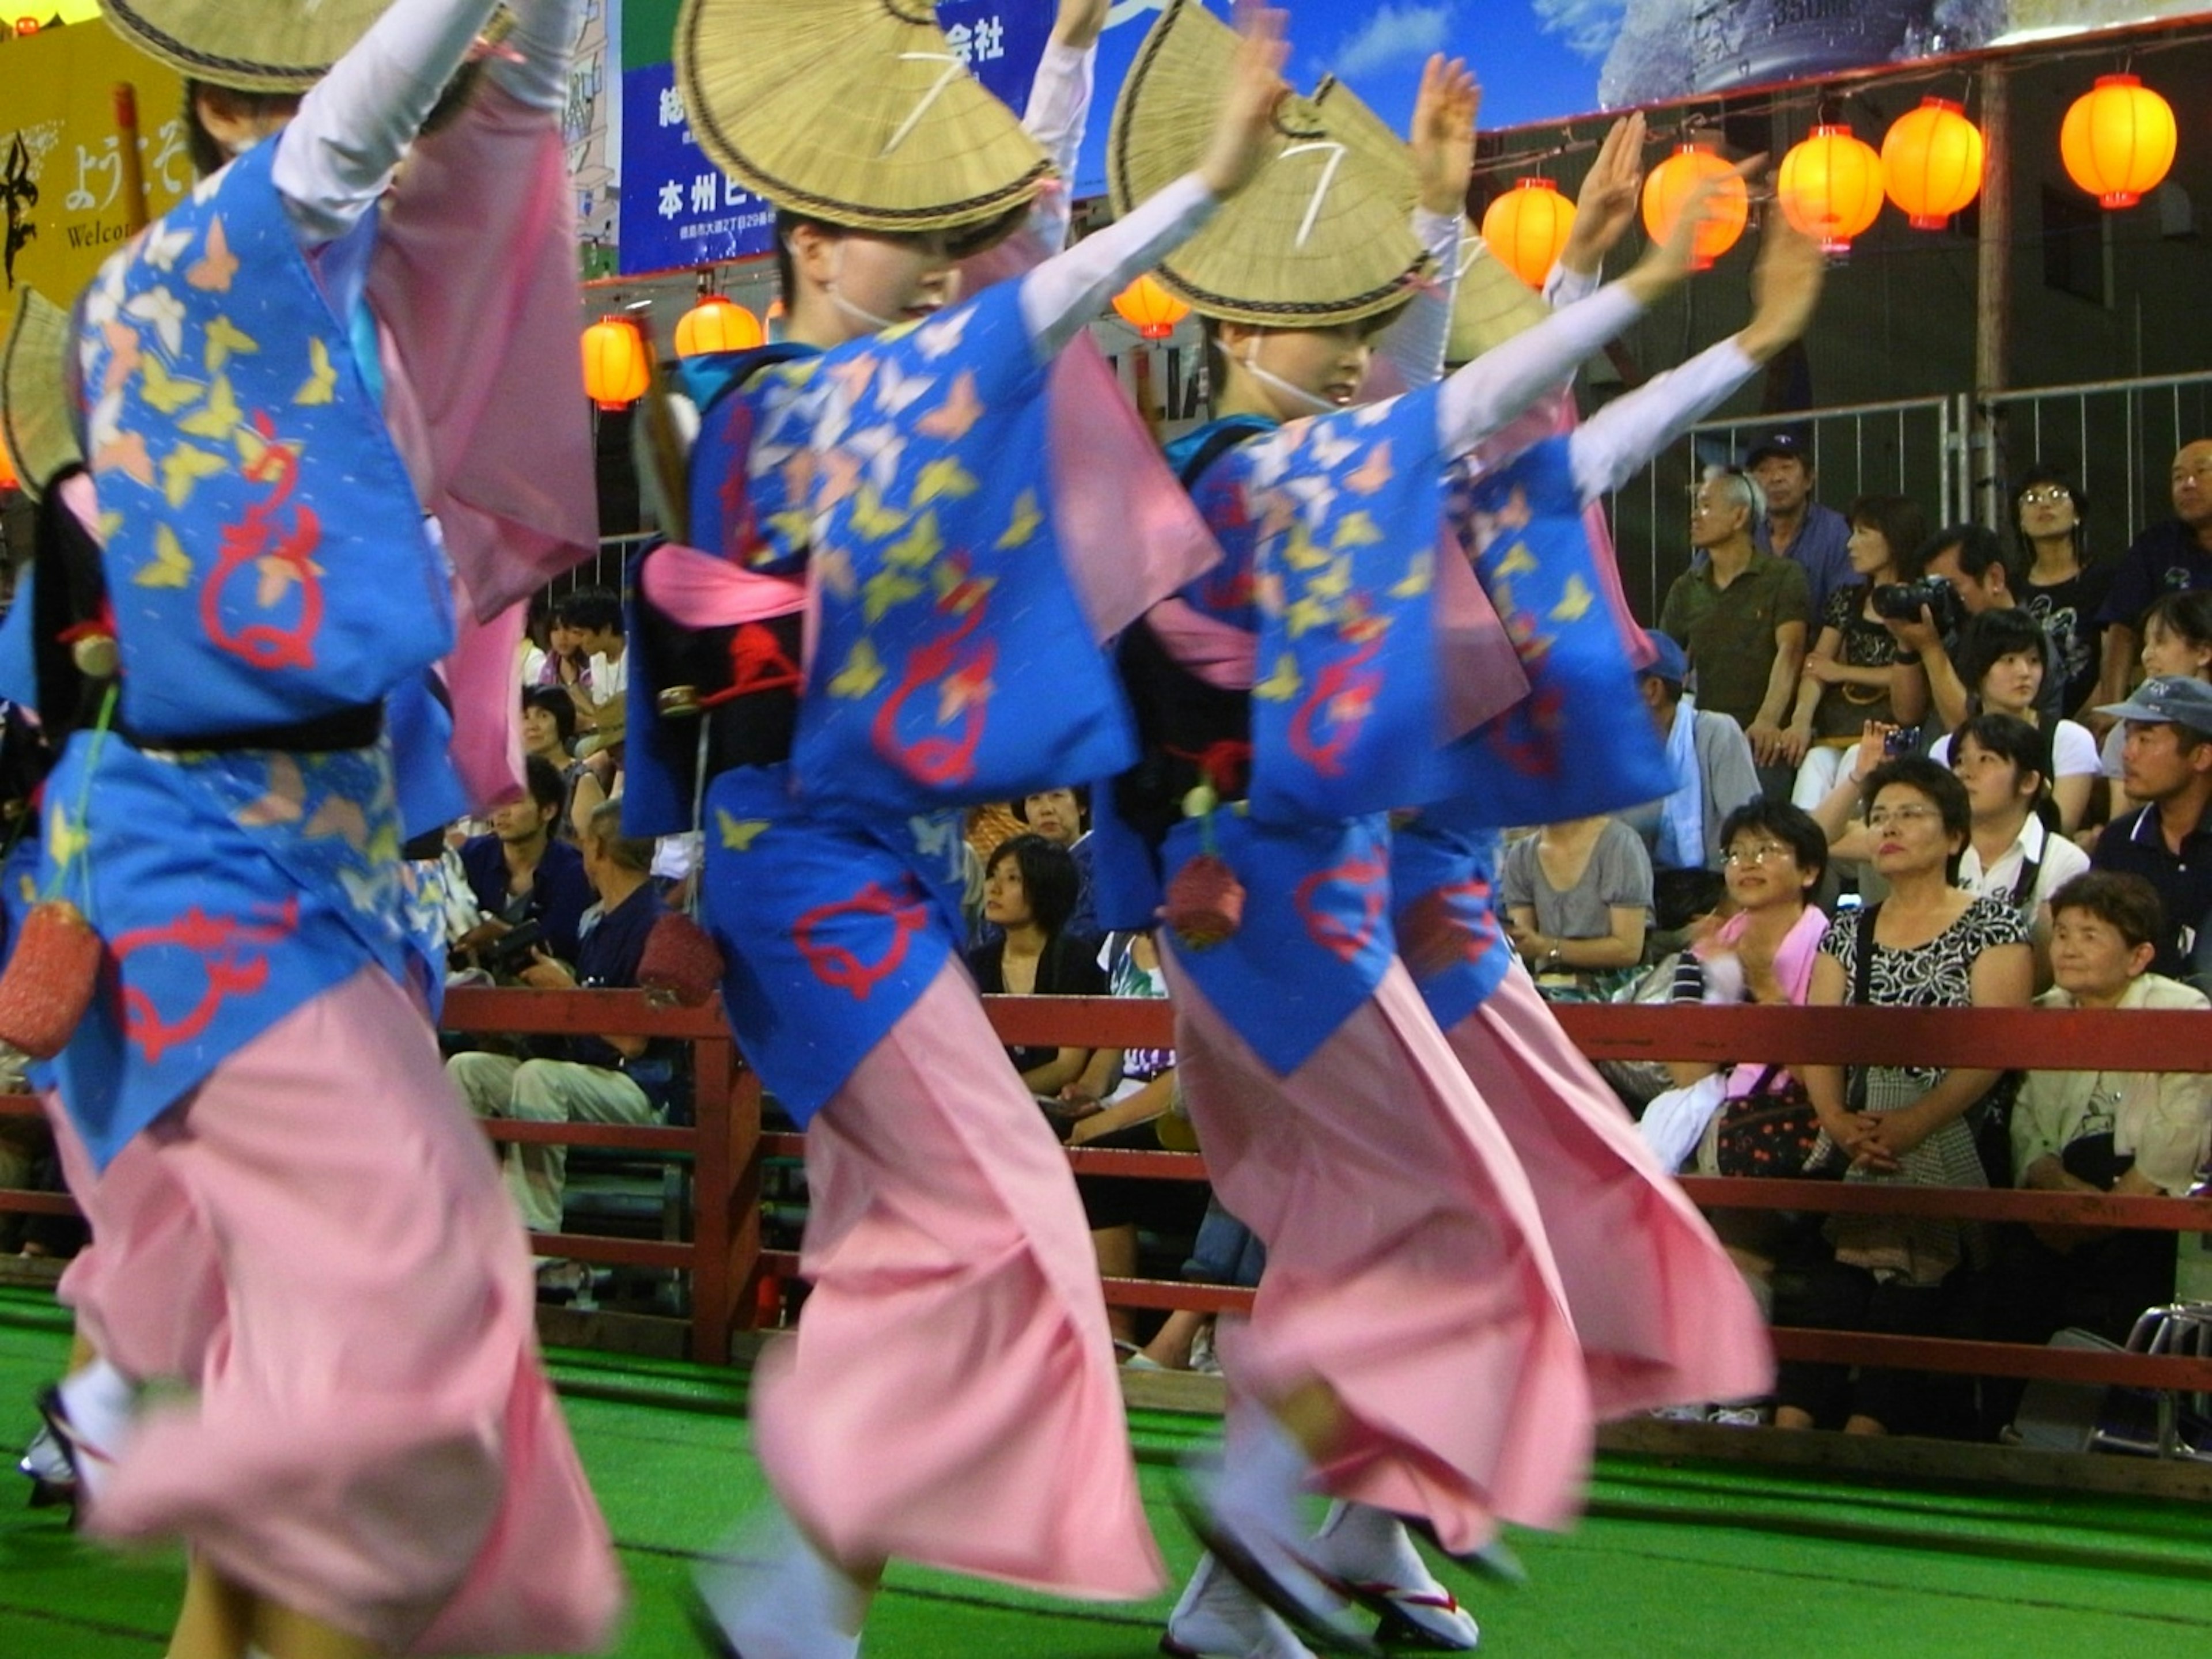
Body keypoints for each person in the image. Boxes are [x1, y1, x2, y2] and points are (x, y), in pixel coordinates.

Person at [1098, 13, 1778, 1646]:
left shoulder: (1339, 472)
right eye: (1315, 319)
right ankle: (1284, 1525)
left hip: (1391, 887)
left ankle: (1350, 1530)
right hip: (1280, 894)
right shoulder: (1226, 480)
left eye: (1367, 323)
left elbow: (1486, 452)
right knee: (1439, 1217)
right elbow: (1444, 440)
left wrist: (1530, 262)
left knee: (1490, 1206)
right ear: (1239, 321)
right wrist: (1593, 285)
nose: (1354, 349)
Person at [625, 2, 1295, 1650]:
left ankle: (803, 1606)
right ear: (800, 239)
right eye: (896, 237)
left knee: (884, 1241)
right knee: (1011, 1205)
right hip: (804, 870)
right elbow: (1018, 315)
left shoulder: (866, 408)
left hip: (874, 872)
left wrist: (1058, 66)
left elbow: (1019, 279)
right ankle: (800, 1557)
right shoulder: (764, 406)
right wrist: (1201, 184)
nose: (935, 267)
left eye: (940, 241)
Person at [22, 0, 622, 1653]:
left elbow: (517, 105)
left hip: (331, 876)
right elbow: (354, 135)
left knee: (314, 1338)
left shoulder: (368, 309)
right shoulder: (198, 272)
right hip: (201, 864)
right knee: (419, 1290)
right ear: (230, 104)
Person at [1779, 757, 2034, 1437]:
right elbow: (1820, 1041)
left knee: (1911, 1268)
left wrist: (1915, 1124)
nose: (1889, 828)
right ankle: (1791, 1425)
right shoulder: (1848, 930)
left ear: (1954, 837)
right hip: (1857, 1135)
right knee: (1831, 1284)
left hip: (1951, 1135)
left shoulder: (1995, 927)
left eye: (1911, 814)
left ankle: (1872, 1429)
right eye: (1881, 815)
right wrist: (1837, 1120)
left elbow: (1994, 1049)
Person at [447, 801, 674, 1299]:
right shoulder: (599, 920)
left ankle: (534, 1251)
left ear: (597, 850)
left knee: (539, 1078)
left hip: (637, 1089)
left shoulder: (657, 924)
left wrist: (565, 993)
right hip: (585, 1070)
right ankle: (460, 1231)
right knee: (469, 1069)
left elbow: (634, 1042)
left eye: (585, 845)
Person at [1999, 872, 2212, 1338]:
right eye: (2061, 934)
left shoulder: (2182, 1012)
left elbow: (2180, 1131)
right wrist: (2054, 1185)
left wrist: (2110, 1215)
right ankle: (2011, 1410)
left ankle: (2128, 1404)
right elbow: (2028, 1118)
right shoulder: (2047, 1011)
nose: (2068, 949)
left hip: (2144, 1199)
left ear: (2139, 957)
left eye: (2089, 936)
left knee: (2139, 1264)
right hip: (2063, 1196)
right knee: (2011, 1271)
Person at [1658, 467, 1812, 798]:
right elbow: (1668, 663)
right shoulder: (1686, 588)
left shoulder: (1783, 576)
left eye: (1706, 505)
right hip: (1705, 733)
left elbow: (1791, 652)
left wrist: (1768, 720)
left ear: (1740, 515)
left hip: (1762, 738)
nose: (1695, 516)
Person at [1783, 494, 1930, 810]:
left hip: (1893, 731)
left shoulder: (1919, 605)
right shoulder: (1848, 600)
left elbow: (1913, 673)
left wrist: (1843, 672)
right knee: (1815, 764)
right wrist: (1800, 719)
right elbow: (1816, 666)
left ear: (1895, 537)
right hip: (1841, 727)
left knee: (1856, 760)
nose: (1851, 544)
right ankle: (1801, 846)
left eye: (1863, 533)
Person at [1925, 607, 2100, 832]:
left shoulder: (2069, 738)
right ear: (1979, 666)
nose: (2025, 672)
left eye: (2034, 660)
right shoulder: (1946, 749)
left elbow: (2061, 826)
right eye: (2009, 660)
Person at [2090, 675, 2212, 987]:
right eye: (2128, 737)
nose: (2128, 753)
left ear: (2201, 756)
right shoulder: (2118, 844)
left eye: (2145, 739)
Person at [1888, 524, 2066, 736]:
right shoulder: (1953, 631)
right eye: (1933, 589)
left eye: (1950, 588)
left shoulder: (2030, 647)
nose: (1943, 598)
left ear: (1995, 579)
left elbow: (1972, 734)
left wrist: (1930, 649)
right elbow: (1906, 715)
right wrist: (1906, 642)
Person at [965, 832, 1103, 1095]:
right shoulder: (977, 962)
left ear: (1045, 889)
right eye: (992, 874)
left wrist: (1000, 1098)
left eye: (1013, 878)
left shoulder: (1074, 957)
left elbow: (1067, 1066)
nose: (994, 888)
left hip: (1050, 1105)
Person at [1619, 629, 1761, 872]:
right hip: (1644, 895)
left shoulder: (1716, 733)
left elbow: (1748, 830)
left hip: (1718, 888)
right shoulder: (1615, 753)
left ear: (1652, 690)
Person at [2093, 438, 2212, 725]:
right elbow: (2121, 628)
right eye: (2178, 477)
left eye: (2202, 472)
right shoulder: (2156, 546)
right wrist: (2111, 707)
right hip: (2170, 704)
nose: (2188, 484)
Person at [453, 753, 594, 965]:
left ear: (548, 811)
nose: (501, 812)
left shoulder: (573, 872)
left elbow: (560, 950)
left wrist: (503, 935)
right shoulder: (471, 857)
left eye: (515, 801)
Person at [1501, 816, 1653, 993]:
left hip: (1618, 991)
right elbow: (1525, 944)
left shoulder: (1620, 845)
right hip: (1549, 989)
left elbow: (1628, 950)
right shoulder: (1521, 854)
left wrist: (1549, 947)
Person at [2097, 590, 2212, 824]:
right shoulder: (2123, 733)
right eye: (2146, 643)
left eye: (2160, 642)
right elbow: (2122, 822)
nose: (2147, 655)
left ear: (2203, 653)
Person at [2012, 465, 2114, 723]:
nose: (2044, 504)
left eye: (2057, 495)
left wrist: (2077, 725)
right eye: (2032, 499)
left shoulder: (2103, 580)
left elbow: (2113, 664)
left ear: (2077, 513)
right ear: (2020, 522)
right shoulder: (2012, 589)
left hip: (2091, 721)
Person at [1746, 428, 1855, 616]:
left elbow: (1848, 603)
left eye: (1786, 467)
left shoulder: (1837, 532)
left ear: (1809, 479)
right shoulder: (1738, 528)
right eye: (1763, 470)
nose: (1775, 478)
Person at [1010, 783, 1100, 944]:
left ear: (1082, 806)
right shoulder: (1015, 865)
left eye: (1057, 796)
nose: (1046, 810)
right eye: (1034, 799)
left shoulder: (1102, 864)